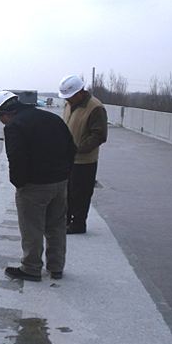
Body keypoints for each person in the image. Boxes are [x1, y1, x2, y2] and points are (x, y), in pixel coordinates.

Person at [0, 91, 77, 282]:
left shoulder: (14, 126)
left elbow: (16, 159)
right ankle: (56, 267)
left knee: (32, 228)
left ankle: (31, 268)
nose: (2, 122)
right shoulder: (52, 118)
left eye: (0, 119)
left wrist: (19, 184)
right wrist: (64, 175)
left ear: (5, 113)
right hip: (60, 183)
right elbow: (72, 148)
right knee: (56, 227)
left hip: (34, 186)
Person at [58, 75, 108, 234]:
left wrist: (77, 149)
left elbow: (99, 135)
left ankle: (78, 224)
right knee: (66, 192)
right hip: (67, 158)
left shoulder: (95, 108)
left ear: (80, 92)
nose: (68, 100)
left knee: (81, 193)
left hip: (85, 161)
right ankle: (65, 220)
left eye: (70, 96)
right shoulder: (68, 104)